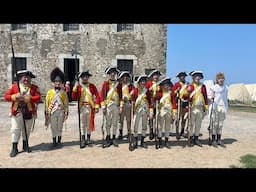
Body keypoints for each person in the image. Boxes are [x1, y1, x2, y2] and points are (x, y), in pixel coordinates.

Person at [5, 70, 41, 157]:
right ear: (21, 78)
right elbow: (6, 97)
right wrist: (14, 96)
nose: (26, 79)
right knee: (15, 129)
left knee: (27, 130)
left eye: (28, 77)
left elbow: (38, 97)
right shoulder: (14, 87)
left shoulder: (34, 88)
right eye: (24, 77)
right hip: (17, 111)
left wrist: (30, 98)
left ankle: (25, 145)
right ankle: (14, 148)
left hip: (29, 111)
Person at [72, 70, 100, 148]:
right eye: (83, 77)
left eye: (86, 77)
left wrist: (97, 106)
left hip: (90, 107)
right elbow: (74, 97)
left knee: (89, 123)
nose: (85, 78)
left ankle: (88, 139)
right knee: (82, 124)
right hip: (82, 107)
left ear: (88, 78)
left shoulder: (92, 86)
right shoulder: (79, 86)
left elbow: (97, 96)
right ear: (81, 78)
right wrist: (75, 87)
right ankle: (83, 139)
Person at [181, 71, 208, 147]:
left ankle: (196, 138)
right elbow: (184, 98)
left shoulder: (203, 86)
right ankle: (191, 138)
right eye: (196, 76)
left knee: (198, 124)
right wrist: (187, 92)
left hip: (200, 107)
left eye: (199, 77)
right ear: (193, 77)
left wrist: (206, 107)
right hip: (192, 107)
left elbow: (205, 97)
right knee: (191, 124)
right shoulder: (189, 86)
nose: (198, 78)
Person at [45, 67, 69, 149]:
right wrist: (46, 112)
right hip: (52, 112)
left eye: (59, 81)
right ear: (53, 83)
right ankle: (54, 141)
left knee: (60, 127)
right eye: (56, 81)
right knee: (53, 127)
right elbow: (47, 103)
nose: (57, 83)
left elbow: (66, 103)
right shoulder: (49, 92)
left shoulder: (64, 93)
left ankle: (59, 141)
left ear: (61, 82)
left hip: (61, 111)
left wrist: (66, 112)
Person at [100, 66, 122, 147]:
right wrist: (103, 107)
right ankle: (108, 136)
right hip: (108, 105)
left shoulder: (118, 84)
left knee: (115, 122)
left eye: (114, 73)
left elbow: (120, 96)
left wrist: (121, 106)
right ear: (109, 74)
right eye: (111, 73)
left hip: (116, 105)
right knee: (108, 122)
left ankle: (114, 137)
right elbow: (102, 95)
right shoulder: (105, 84)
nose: (113, 74)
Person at [132, 75, 153, 149]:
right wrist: (130, 96)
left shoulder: (147, 91)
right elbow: (132, 100)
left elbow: (150, 102)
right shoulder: (135, 90)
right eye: (142, 81)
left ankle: (142, 141)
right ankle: (135, 141)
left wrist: (151, 111)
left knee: (144, 126)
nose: (143, 83)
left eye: (144, 81)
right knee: (135, 125)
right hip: (137, 110)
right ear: (139, 82)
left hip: (145, 110)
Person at [208, 72, 228, 147]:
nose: (221, 80)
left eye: (222, 78)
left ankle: (219, 139)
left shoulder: (226, 88)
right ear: (217, 79)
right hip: (215, 107)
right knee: (214, 124)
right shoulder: (213, 88)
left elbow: (225, 98)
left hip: (223, 107)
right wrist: (211, 98)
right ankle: (213, 139)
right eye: (219, 78)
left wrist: (226, 108)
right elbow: (209, 97)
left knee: (220, 124)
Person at [156, 77, 176, 148]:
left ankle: (166, 140)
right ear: (162, 85)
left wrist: (174, 112)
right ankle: (160, 140)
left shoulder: (171, 93)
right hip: (161, 110)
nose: (167, 86)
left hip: (169, 110)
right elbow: (155, 99)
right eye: (165, 85)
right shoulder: (159, 93)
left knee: (167, 126)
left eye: (168, 85)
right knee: (160, 126)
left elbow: (174, 103)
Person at [146, 69, 162, 140]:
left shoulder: (160, 84)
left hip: (158, 103)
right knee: (151, 117)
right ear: (152, 76)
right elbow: (145, 93)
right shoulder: (149, 83)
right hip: (151, 103)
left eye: (157, 75)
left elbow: (162, 93)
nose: (156, 77)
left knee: (158, 117)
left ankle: (157, 131)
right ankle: (151, 130)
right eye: (155, 75)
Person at [117, 71, 134, 140]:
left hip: (128, 104)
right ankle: (120, 133)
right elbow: (118, 95)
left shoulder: (131, 86)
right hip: (121, 104)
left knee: (128, 119)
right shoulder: (119, 86)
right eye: (124, 77)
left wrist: (130, 96)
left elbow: (134, 93)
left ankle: (129, 132)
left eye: (126, 77)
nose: (125, 78)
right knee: (120, 120)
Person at [172, 72, 189, 138]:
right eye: (181, 76)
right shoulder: (176, 84)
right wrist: (177, 91)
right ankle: (177, 132)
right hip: (178, 102)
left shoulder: (187, 84)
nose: (182, 77)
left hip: (185, 102)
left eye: (183, 76)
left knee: (184, 118)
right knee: (178, 118)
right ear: (179, 77)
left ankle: (182, 131)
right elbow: (173, 94)